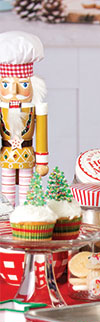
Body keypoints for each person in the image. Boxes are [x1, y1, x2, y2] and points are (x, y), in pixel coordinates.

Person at [0, 31, 49, 206]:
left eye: (23, 85)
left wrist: (42, 161)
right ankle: (6, 217)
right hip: (6, 156)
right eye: (6, 85)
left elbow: (42, 136)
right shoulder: (1, 110)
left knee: (27, 192)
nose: (15, 92)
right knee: (7, 195)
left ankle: (26, 216)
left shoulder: (37, 110)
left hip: (27, 156)